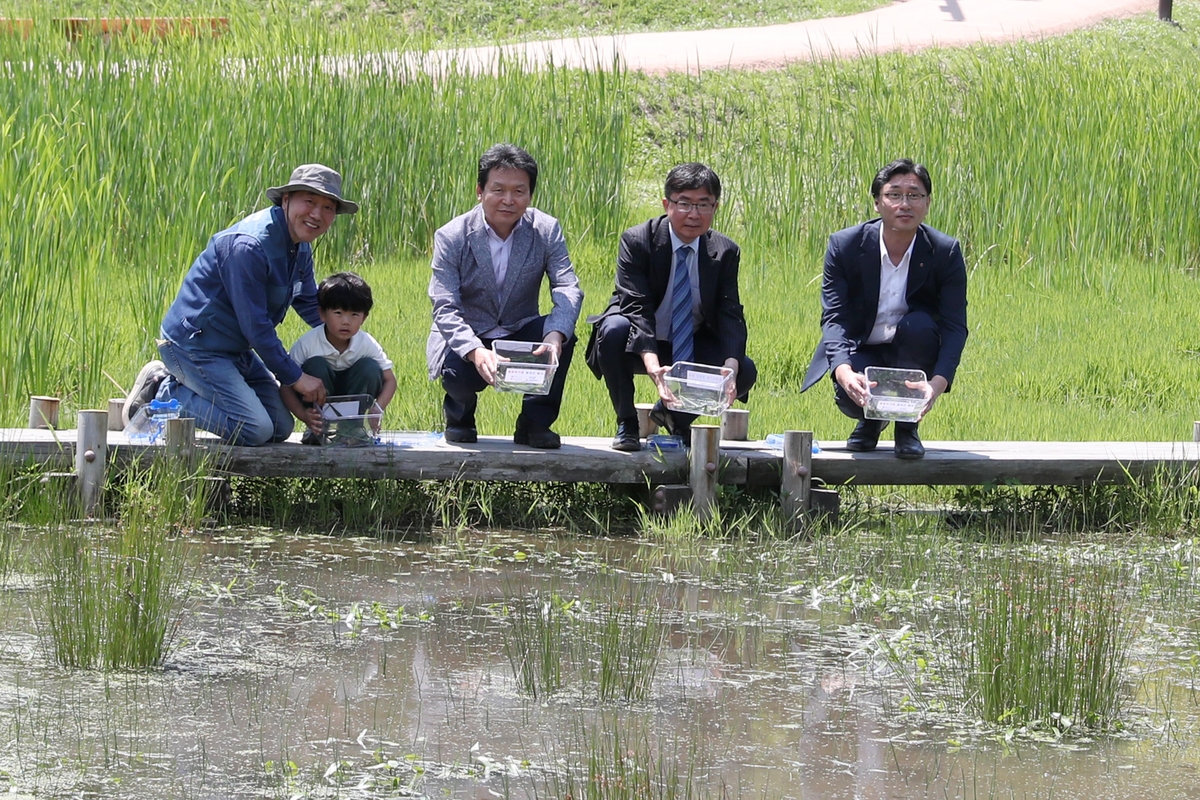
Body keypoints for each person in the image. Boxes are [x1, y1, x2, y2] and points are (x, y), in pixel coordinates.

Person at [123, 164, 358, 446]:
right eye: (309, 201)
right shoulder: (249, 246)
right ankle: (162, 391)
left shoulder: (300, 246)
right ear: (286, 200)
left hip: (235, 349)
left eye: (328, 207)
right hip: (195, 346)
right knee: (254, 429)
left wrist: (352, 344)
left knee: (280, 426)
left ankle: (180, 389)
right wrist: (296, 377)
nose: (317, 214)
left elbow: (310, 303)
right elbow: (256, 328)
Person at [800, 158, 968, 460]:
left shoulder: (945, 251)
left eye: (914, 195)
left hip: (914, 349)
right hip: (863, 346)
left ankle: (906, 427)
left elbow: (955, 326)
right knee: (851, 398)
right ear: (877, 202)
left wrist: (936, 386)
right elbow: (834, 317)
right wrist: (843, 372)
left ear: (927, 203)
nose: (905, 204)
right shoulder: (845, 245)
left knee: (918, 325)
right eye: (894, 195)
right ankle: (870, 422)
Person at [585, 162, 756, 451]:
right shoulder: (638, 240)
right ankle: (626, 421)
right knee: (613, 329)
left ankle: (676, 416)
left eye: (704, 205)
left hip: (690, 342)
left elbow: (730, 313)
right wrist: (654, 370)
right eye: (685, 203)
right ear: (667, 204)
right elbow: (635, 309)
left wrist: (729, 367)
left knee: (744, 370)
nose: (694, 214)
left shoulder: (725, 251)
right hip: (639, 342)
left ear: (715, 208)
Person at [426, 143, 583, 449]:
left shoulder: (546, 230)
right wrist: (475, 350)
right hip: (468, 333)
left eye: (519, 191)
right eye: (498, 190)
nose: (508, 200)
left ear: (530, 195)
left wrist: (554, 334)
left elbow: (567, 286)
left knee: (564, 335)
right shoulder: (452, 235)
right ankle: (459, 416)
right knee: (456, 372)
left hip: (518, 327)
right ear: (480, 191)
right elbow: (444, 306)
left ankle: (534, 423)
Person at [281, 272, 397, 444]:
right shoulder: (308, 344)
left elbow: (390, 380)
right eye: (338, 313)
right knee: (316, 365)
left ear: (364, 318)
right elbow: (286, 385)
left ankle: (351, 429)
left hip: (353, 397)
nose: (346, 321)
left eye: (354, 315)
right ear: (322, 314)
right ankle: (318, 428)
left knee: (370, 368)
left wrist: (377, 409)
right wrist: (303, 414)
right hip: (318, 401)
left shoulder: (366, 343)